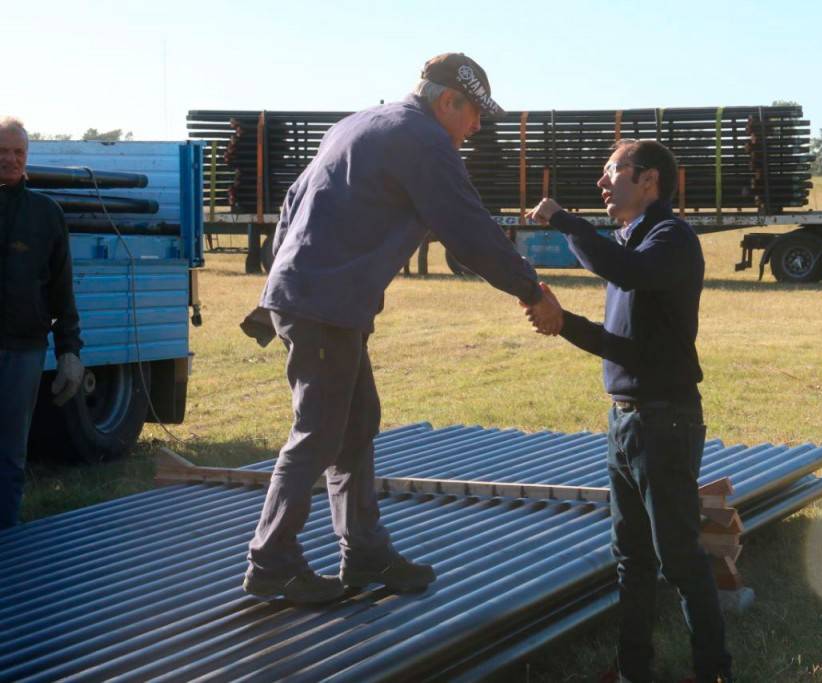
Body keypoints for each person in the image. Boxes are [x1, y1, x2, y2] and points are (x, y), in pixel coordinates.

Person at [241, 54, 561, 604]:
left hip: (322, 299)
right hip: (325, 303)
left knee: (357, 422)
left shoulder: (360, 122)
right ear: (448, 102)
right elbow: (468, 229)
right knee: (318, 431)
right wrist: (532, 290)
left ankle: (363, 551)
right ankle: (272, 560)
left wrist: (281, 287)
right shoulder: (423, 140)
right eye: (475, 114)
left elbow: (295, 204)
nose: (477, 127)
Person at [524, 139, 732, 683]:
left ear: (649, 181)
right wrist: (561, 320)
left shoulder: (670, 240)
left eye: (612, 171)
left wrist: (564, 221)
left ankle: (713, 673)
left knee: (680, 561)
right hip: (627, 422)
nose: (602, 183)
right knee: (632, 560)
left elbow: (623, 270)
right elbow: (623, 346)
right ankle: (632, 671)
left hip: (664, 421)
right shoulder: (631, 244)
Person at [0, 117, 84, 529]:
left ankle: (8, 541)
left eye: (18, 152)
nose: (10, 160)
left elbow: (62, 290)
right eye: (2, 152)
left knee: (11, 454)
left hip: (22, 349)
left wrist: (69, 350)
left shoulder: (45, 214)